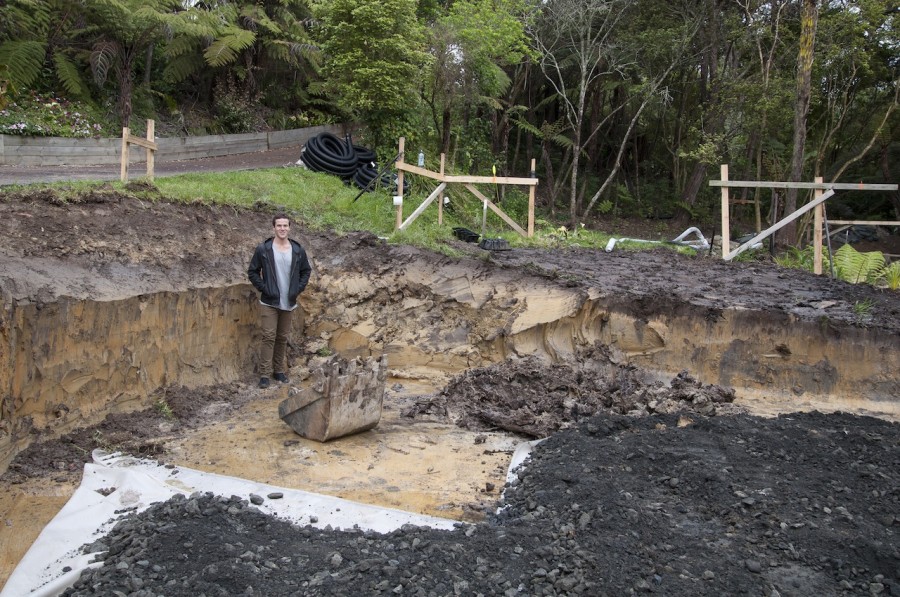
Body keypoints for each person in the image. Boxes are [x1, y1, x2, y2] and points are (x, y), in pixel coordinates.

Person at [247, 214, 313, 388]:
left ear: (289, 228)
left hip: (289, 301)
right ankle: (264, 374)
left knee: (282, 337)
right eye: (279, 226)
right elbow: (252, 272)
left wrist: (297, 289)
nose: (282, 228)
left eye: (285, 225)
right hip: (270, 301)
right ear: (273, 228)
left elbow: (306, 271)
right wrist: (264, 288)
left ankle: (278, 371)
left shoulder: (298, 250)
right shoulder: (264, 249)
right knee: (269, 336)